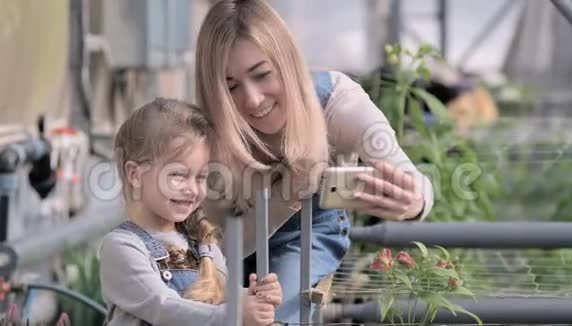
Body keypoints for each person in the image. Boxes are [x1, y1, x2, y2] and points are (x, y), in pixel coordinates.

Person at [194, 0, 435, 322]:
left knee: (273, 316)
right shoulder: (205, 129)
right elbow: (218, 243)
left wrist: (413, 203)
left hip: (306, 236)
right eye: (231, 86)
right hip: (233, 241)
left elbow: (415, 182)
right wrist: (289, 193)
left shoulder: (337, 102)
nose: (252, 100)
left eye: (262, 75)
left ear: (289, 62)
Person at [99, 98, 283, 325]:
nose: (193, 189)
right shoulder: (122, 247)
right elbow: (165, 309)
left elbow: (223, 295)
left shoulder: (202, 244)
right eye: (177, 175)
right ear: (135, 175)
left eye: (201, 177)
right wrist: (234, 317)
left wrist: (254, 297)